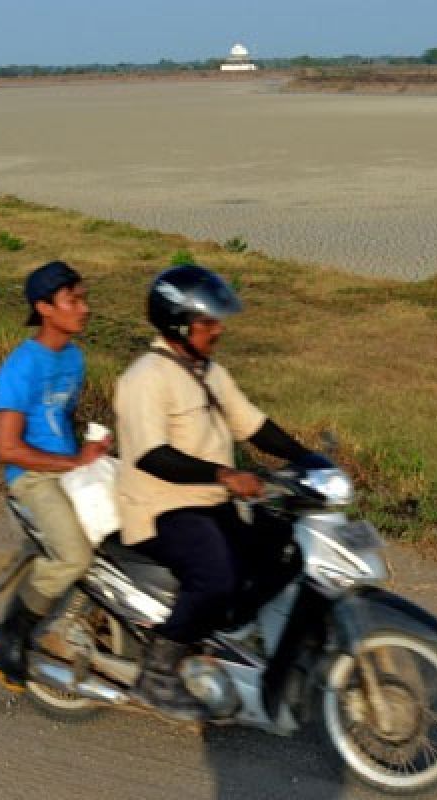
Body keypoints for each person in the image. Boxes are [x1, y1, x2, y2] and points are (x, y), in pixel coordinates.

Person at [114, 264, 314, 719]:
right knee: (216, 575)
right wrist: (226, 475)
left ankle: (226, 634)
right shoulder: (145, 377)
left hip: (209, 503)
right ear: (179, 325)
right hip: (161, 509)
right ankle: (157, 673)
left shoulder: (207, 371)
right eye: (208, 323)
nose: (218, 330)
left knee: (283, 545)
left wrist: (308, 460)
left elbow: (253, 425)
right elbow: (151, 456)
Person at [0, 260, 111, 692]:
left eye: (83, 298)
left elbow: (63, 416)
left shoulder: (73, 358)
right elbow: (7, 448)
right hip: (32, 478)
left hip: (67, 467)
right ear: (44, 308)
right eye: (73, 301)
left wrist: (87, 453)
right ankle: (11, 634)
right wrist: (72, 465)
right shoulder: (21, 367)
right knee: (74, 556)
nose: (85, 309)